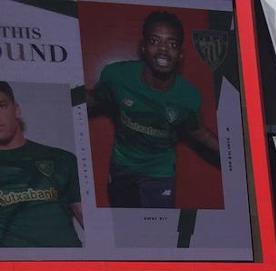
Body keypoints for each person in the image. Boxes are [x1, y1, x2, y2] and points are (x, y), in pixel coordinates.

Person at [87, 11, 220, 208]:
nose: (163, 50)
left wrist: (236, 155)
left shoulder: (188, 96)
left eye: (172, 44)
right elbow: (92, 99)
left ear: (180, 54)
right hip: (122, 168)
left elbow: (198, 131)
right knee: (125, 231)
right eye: (155, 41)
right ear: (143, 47)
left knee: (159, 235)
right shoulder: (117, 76)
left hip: (159, 174)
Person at [0, 81, 83, 248]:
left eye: (1, 106)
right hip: (14, 269)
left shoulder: (61, 159)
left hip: (70, 266)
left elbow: (92, 223)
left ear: (16, 109)